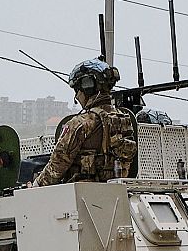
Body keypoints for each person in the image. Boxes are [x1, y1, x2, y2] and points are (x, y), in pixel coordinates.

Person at [32, 58, 137, 187]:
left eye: (77, 90)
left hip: (81, 195)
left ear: (87, 87)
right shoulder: (124, 120)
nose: (76, 97)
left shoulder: (80, 124)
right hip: (115, 191)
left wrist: (35, 185)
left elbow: (57, 167)